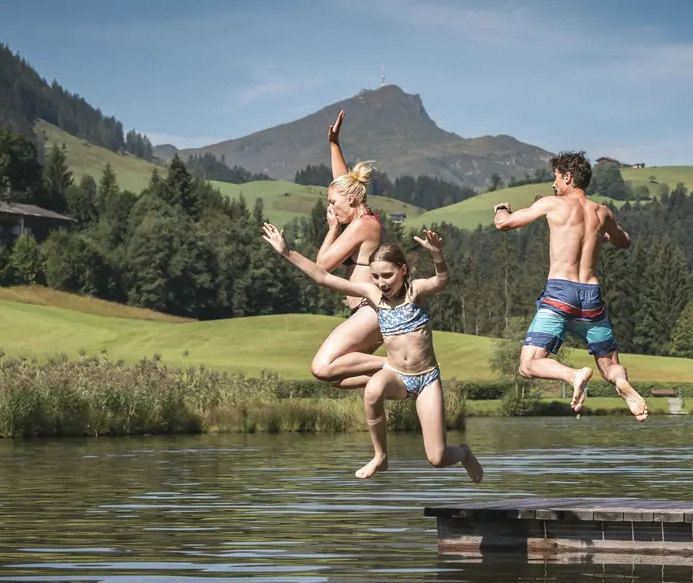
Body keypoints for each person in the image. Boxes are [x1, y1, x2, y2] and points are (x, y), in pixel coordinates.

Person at [262, 223, 484, 482]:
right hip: (396, 376)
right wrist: (287, 251)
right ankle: (380, 456)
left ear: (403, 270)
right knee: (372, 390)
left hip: (426, 380)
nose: (381, 283)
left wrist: (437, 254)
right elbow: (323, 277)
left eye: (387, 276)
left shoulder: (416, 292)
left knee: (437, 457)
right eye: (376, 277)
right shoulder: (373, 295)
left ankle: (464, 453)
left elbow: (442, 280)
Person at [493, 151, 648, 421]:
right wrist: (603, 234)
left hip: (560, 295)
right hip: (591, 298)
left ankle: (573, 374)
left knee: (528, 365)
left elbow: (504, 224)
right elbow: (624, 242)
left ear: (568, 177)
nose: (553, 185)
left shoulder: (553, 204)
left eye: (556, 178)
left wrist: (501, 209)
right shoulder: (602, 212)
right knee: (611, 366)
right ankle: (622, 383)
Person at [307, 110, 387, 389]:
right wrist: (334, 144)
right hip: (364, 313)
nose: (330, 207)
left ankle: (403, 363)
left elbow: (323, 266)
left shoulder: (362, 226)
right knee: (338, 378)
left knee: (322, 366)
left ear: (351, 200)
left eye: (332, 202)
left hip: (371, 310)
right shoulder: (363, 216)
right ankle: (402, 375)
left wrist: (331, 229)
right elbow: (342, 181)